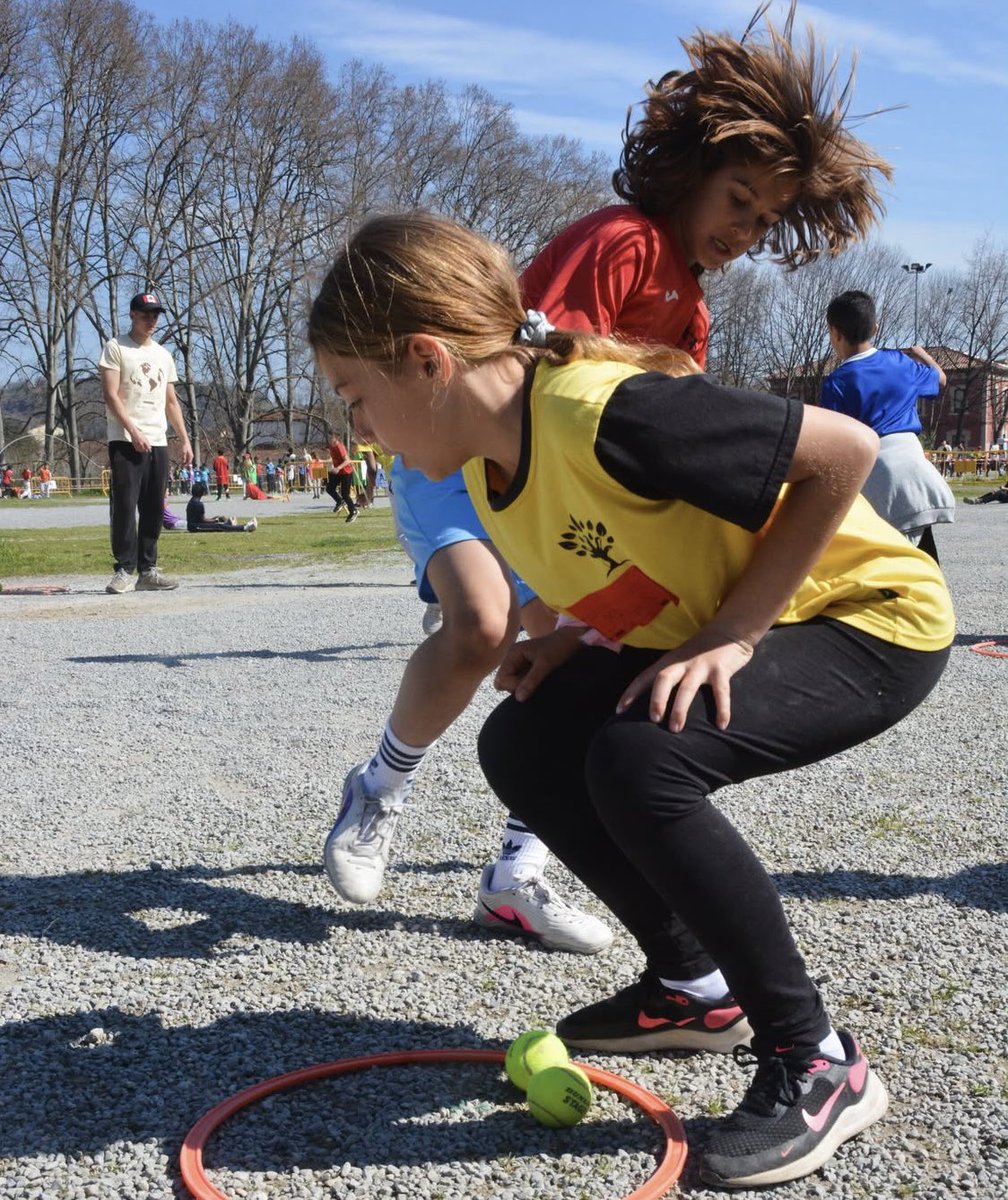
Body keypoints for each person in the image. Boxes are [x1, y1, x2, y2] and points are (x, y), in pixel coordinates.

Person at [307, 210, 954, 1189]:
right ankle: (694, 988)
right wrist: (572, 640)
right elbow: (645, 551)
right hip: (755, 618)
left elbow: (844, 454)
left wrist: (733, 636)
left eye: (355, 394)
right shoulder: (492, 467)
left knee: (641, 758)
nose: (356, 425)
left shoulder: (599, 410)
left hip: (870, 619)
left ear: (428, 360)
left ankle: (819, 1061)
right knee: (524, 743)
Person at [318, 7, 893, 958]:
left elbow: (662, 427)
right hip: (464, 449)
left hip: (560, 485)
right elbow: (548, 385)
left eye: (765, 218)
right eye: (738, 198)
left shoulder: (694, 311)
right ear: (691, 171)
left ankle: (515, 873)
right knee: (483, 626)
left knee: (583, 667)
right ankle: (381, 786)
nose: (746, 228)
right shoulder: (623, 239)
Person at [820, 290, 954, 559]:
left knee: (883, 560)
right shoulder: (901, 363)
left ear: (834, 333)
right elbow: (940, 380)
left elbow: (833, 446)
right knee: (924, 557)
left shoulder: (837, 382)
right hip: (915, 467)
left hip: (874, 475)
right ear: (875, 328)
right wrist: (922, 354)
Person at [99, 291, 192, 594]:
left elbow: (171, 402)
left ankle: (148, 569)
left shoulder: (163, 355)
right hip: (126, 440)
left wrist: (185, 439)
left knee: (154, 506)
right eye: (145, 314)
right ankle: (124, 569)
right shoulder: (116, 348)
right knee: (125, 505)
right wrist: (133, 432)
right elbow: (111, 395)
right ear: (133, 315)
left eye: (155, 315)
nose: (151, 319)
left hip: (157, 439)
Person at [186, 481, 257, 531]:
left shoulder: (191, 501)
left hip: (193, 525)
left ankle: (228, 524)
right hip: (196, 527)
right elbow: (203, 520)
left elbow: (200, 519)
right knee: (218, 526)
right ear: (202, 493)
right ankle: (244, 527)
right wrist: (216, 520)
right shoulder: (198, 504)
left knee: (218, 524)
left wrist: (215, 519)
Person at [325, 434, 359, 523]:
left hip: (346, 472)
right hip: (338, 472)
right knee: (329, 488)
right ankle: (340, 501)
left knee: (345, 494)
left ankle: (353, 511)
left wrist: (338, 468)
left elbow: (347, 460)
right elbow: (334, 459)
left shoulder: (339, 446)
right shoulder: (331, 447)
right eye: (328, 437)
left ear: (336, 438)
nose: (329, 439)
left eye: (331, 437)